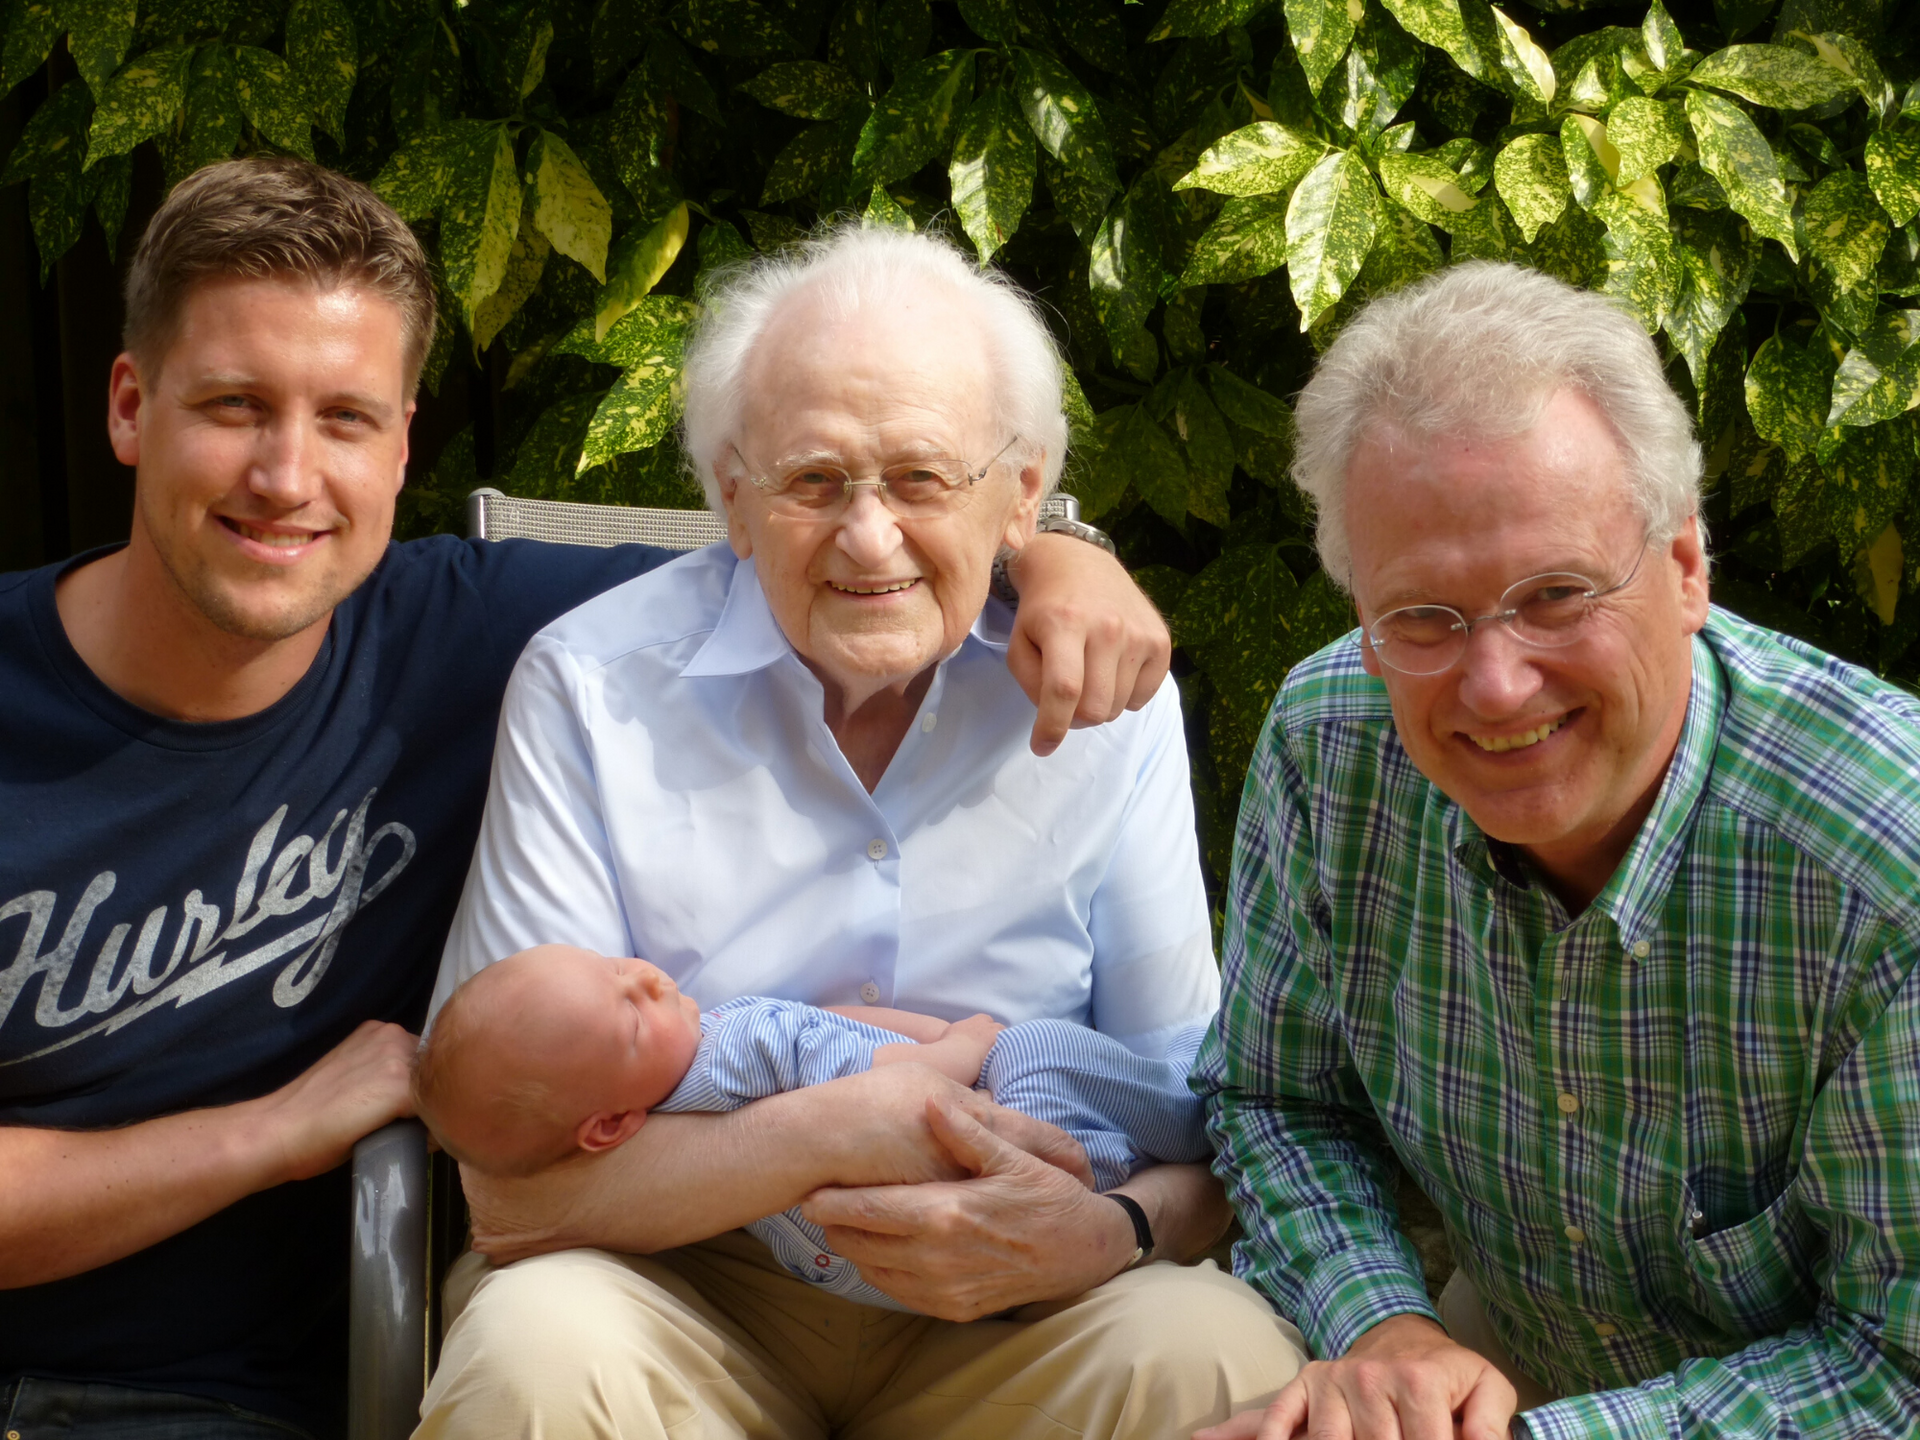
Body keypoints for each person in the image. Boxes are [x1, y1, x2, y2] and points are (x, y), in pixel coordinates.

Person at [0, 157, 1175, 1440]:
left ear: (402, 446)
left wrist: (1066, 555)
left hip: (245, 1407)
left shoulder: (474, 632)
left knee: (1204, 1352)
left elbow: (856, 554)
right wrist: (278, 1131)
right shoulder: (573, 668)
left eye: (343, 418)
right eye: (234, 404)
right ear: (128, 405)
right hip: (78, 1369)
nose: (287, 477)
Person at [418, 224, 1307, 1438]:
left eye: (924, 480)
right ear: (733, 496)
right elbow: (510, 1195)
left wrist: (1109, 1231)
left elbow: (1203, 1125)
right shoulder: (592, 687)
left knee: (1216, 1353)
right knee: (535, 1354)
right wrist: (833, 1130)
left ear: (1023, 497)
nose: (869, 538)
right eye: (814, 481)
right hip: (684, 1286)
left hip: (1022, 1310)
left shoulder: (1105, 703)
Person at [1194, 262, 1920, 1440]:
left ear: (1686, 568)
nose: (1494, 684)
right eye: (1422, 615)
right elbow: (1277, 1096)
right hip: (1511, 1360)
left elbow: (1900, 1368)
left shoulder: (1889, 871)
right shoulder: (1329, 745)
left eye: (1556, 594)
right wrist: (1384, 1333)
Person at [413, 944, 1212, 1308]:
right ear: (607, 1123)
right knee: (1041, 1051)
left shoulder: (644, 1129)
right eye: (628, 1016)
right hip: (1017, 1138)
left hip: (872, 1275)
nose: (650, 980)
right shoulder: (734, 1043)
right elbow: (895, 1087)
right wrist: (966, 1043)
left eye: (615, 968)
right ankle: (1205, 1097)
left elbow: (835, 1023)